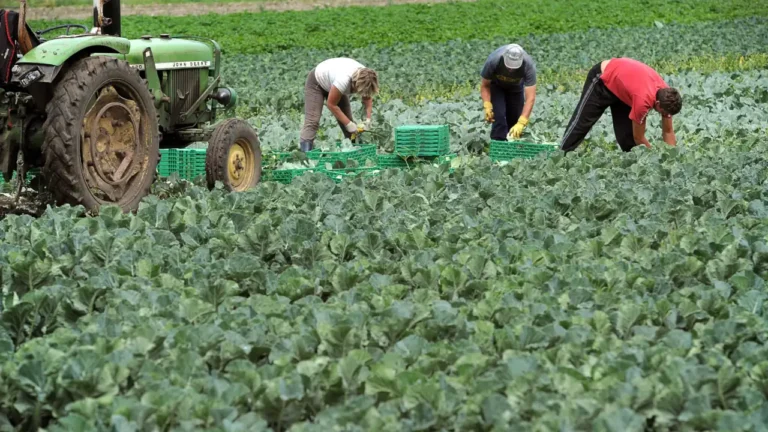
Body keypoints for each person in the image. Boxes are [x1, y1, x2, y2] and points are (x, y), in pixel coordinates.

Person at [560, 57, 682, 152]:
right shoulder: (642, 101)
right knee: (582, 122)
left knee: (627, 138)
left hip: (625, 88)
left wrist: (670, 157)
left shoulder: (667, 96)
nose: (665, 115)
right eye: (664, 112)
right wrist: (654, 156)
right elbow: (639, 137)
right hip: (603, 78)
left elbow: (668, 130)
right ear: (658, 103)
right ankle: (562, 152)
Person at [299, 58, 379, 152]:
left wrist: (368, 120)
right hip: (317, 83)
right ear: (355, 83)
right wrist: (349, 124)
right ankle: (305, 155)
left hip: (333, 81)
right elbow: (331, 104)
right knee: (313, 121)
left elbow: (367, 97)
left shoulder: (367, 78)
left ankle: (354, 153)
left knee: (348, 122)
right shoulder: (344, 79)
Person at [480, 44, 537, 141]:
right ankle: (498, 147)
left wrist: (522, 122)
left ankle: (512, 148)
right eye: (509, 66)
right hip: (497, 87)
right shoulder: (494, 60)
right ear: (504, 57)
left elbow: (530, 98)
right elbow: (485, 85)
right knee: (499, 118)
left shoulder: (528, 65)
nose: (511, 69)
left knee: (515, 120)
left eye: (514, 67)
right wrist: (487, 104)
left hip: (516, 88)